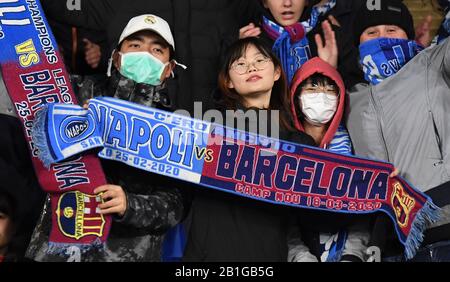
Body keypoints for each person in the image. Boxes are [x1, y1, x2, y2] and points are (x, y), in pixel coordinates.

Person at [25, 14, 187, 262]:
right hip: (57, 245)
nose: (144, 54)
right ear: (116, 57)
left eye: (157, 49)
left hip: (129, 252)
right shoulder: (75, 91)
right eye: (135, 45)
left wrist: (130, 204)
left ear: (169, 68)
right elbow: (31, 119)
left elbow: (177, 204)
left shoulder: (177, 127)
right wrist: (73, 122)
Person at [183, 37, 316, 261]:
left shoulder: (300, 143)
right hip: (207, 256)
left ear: (276, 73)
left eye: (260, 60)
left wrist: (376, 185)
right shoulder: (208, 130)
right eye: (240, 64)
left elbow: (318, 212)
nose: (251, 67)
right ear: (229, 81)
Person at [345, 0, 450, 261]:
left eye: (392, 29)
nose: (382, 38)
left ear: (408, 35)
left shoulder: (434, 62)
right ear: (358, 44)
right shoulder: (349, 99)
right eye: (371, 33)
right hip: (392, 243)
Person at [40, 0, 255, 112]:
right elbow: (64, 5)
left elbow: (265, 14)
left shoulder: (226, 6)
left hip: (207, 134)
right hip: (126, 135)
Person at [286, 57, 371, 262]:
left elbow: (367, 202)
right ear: (296, 96)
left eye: (329, 90)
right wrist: (300, 257)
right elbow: (280, 214)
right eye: (312, 90)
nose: (321, 97)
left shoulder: (355, 141)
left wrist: (352, 255)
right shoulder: (285, 144)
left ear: (340, 98)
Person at [239, 0, 339, 84]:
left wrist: (330, 71)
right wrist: (239, 58)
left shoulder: (330, 38)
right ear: (265, 3)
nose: (287, 3)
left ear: (307, 1)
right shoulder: (251, 41)